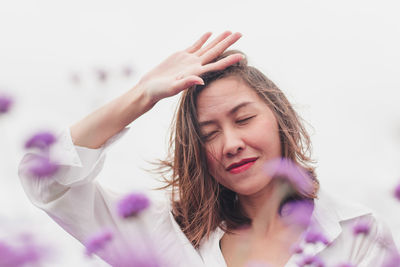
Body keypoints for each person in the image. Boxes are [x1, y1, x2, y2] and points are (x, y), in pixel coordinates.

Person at [18, 32, 398, 267]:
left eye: (244, 119)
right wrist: (141, 95)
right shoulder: (161, 231)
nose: (231, 144)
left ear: (281, 120)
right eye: (209, 133)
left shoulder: (357, 234)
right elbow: (46, 181)